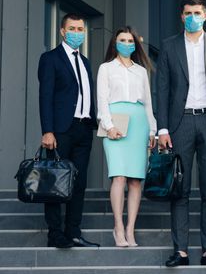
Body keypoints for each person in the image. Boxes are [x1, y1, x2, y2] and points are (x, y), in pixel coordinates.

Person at [157, 0, 206, 267]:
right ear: (181, 16)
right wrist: (162, 129)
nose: (192, 17)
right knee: (180, 191)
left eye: (197, 13)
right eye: (187, 13)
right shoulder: (169, 46)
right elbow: (162, 89)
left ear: (205, 15)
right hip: (180, 124)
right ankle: (181, 252)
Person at [38, 13, 100, 248]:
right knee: (55, 181)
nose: (77, 32)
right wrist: (47, 130)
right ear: (63, 31)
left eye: (81, 28)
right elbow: (45, 97)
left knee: (79, 182)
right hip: (60, 130)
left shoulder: (85, 62)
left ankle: (73, 231)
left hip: (84, 129)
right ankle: (55, 234)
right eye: (72, 28)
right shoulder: (50, 59)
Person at [96, 26, 157, 247]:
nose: (127, 44)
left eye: (130, 41)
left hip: (139, 122)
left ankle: (130, 229)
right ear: (115, 43)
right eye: (122, 40)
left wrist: (152, 130)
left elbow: (148, 103)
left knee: (135, 181)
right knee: (118, 176)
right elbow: (102, 100)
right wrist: (109, 125)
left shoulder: (141, 71)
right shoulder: (106, 68)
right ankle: (118, 227)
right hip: (115, 121)